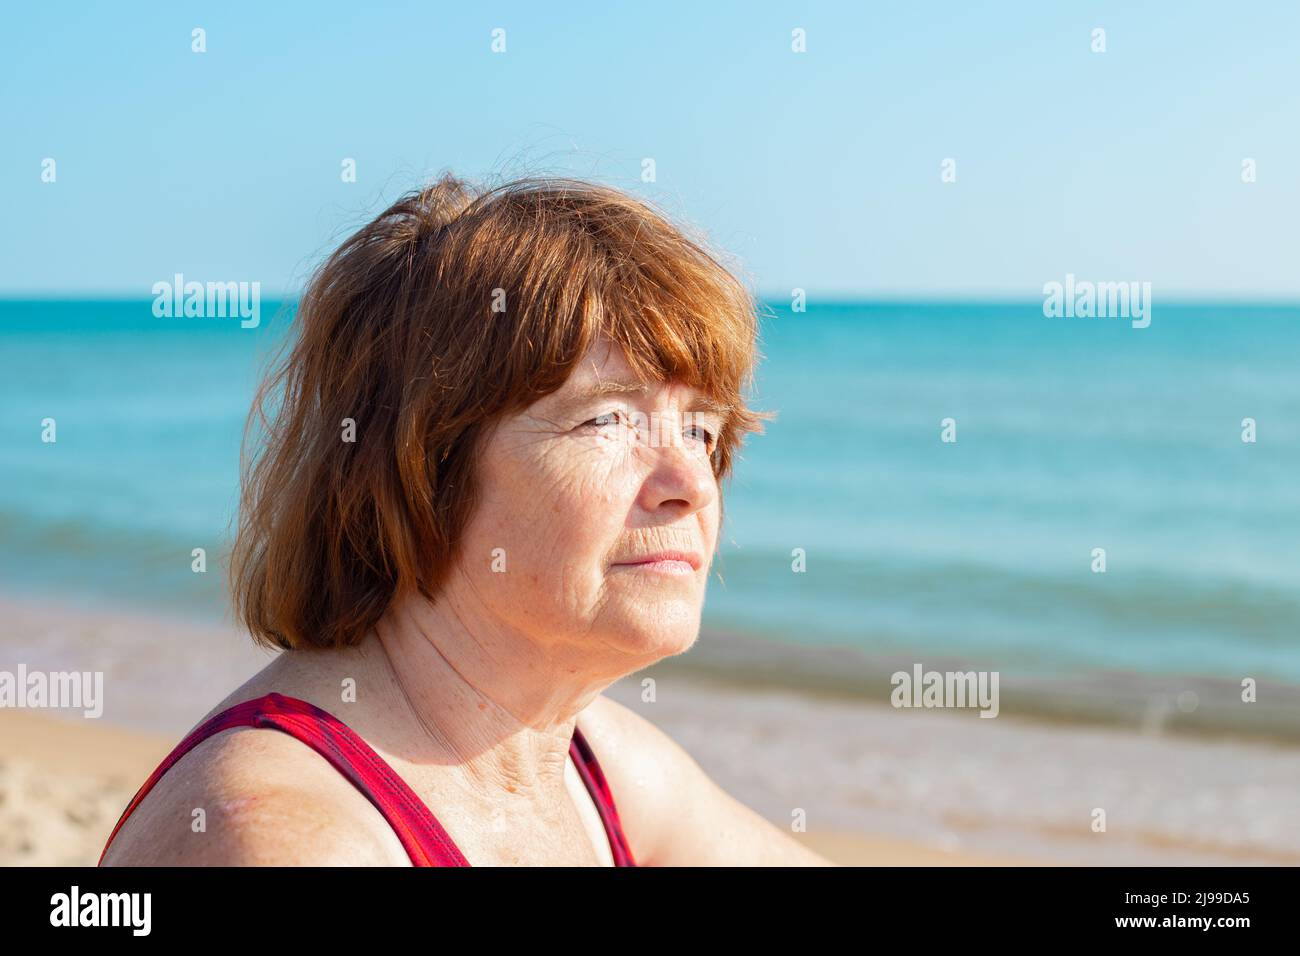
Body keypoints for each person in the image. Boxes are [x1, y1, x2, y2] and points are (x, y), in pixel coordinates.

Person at [99, 173, 834, 866]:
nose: (692, 485)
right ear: (418, 469)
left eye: (702, 430)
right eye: (606, 420)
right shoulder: (288, 838)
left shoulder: (592, 760)